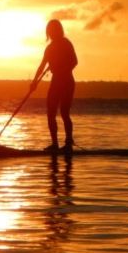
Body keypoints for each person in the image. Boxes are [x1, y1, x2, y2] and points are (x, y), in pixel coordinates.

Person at [32, 19, 78, 153]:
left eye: (53, 31)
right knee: (50, 113)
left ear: (58, 31)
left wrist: (61, 69)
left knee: (64, 112)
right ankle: (55, 144)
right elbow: (41, 66)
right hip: (56, 82)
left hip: (67, 81)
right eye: (49, 31)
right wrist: (34, 82)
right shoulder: (49, 48)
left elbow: (74, 61)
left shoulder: (66, 44)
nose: (51, 33)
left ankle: (68, 143)